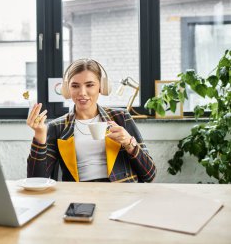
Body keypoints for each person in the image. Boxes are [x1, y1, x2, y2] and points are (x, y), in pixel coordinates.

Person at [26, 58, 156, 183]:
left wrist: (129, 143)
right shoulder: (57, 127)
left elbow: (149, 175)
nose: (82, 92)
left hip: (121, 192)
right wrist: (39, 136)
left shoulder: (121, 117)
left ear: (101, 87)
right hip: (80, 195)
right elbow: (36, 180)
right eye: (75, 86)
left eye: (90, 85)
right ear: (67, 90)